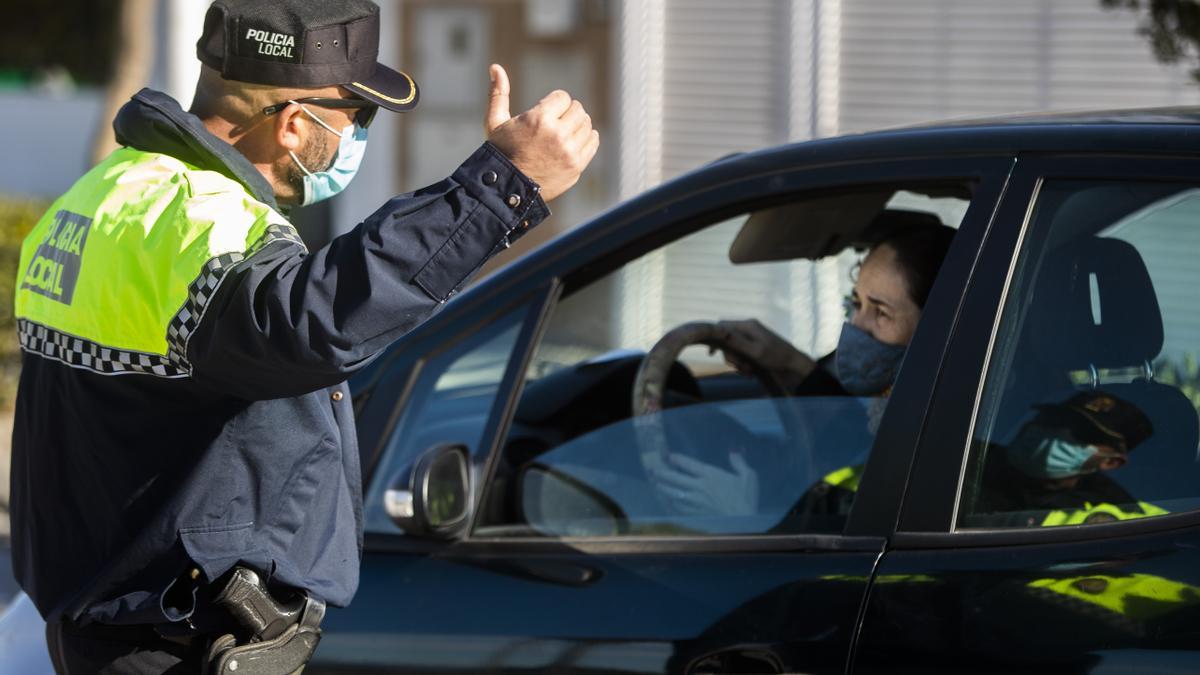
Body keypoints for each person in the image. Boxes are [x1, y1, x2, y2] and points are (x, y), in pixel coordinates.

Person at [10, 0, 598, 671]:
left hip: (107, 627)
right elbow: (315, 321)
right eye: (359, 115)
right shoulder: (208, 222)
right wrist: (500, 187)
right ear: (294, 123)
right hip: (177, 648)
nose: (361, 136)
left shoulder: (104, 194)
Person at [649, 223, 956, 520]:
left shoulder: (942, 440)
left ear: (938, 327)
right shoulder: (898, 412)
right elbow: (852, 443)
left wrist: (748, 515)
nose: (857, 326)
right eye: (856, 303)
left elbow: (861, 547)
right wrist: (789, 363)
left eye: (881, 312)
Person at [972, 390, 1167, 528]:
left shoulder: (1119, 515)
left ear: (1110, 461)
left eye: (1081, 433)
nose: (1058, 432)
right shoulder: (969, 462)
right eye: (1054, 420)